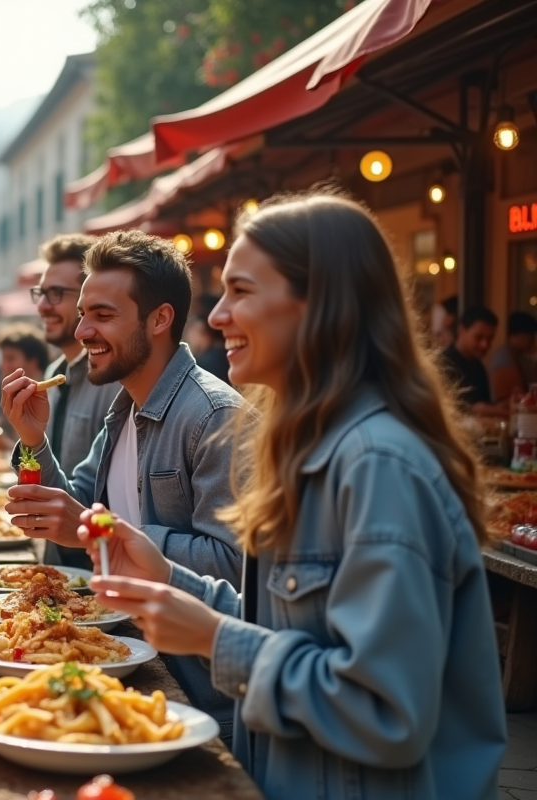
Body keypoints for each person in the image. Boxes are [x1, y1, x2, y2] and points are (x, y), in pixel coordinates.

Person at [84, 191, 506, 800]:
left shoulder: (377, 465)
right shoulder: (313, 448)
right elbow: (294, 632)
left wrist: (210, 637)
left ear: (320, 306)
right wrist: (173, 578)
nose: (218, 316)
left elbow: (384, 711)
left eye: (242, 291)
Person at [0, 229, 244, 738]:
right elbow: (72, 512)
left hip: (189, 698)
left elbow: (235, 567)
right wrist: (31, 441)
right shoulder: (125, 406)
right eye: (84, 313)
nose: (83, 329)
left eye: (103, 315)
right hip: (124, 661)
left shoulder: (214, 415)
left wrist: (100, 531)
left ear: (159, 319)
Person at [32, 233, 121, 488]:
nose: (42, 306)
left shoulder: (113, 380)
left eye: (56, 293)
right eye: (40, 293)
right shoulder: (52, 373)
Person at [440, 306, 503, 415]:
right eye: (478, 337)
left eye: (490, 339)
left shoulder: (478, 365)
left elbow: (483, 403)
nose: (485, 345)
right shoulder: (444, 363)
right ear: (461, 331)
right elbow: (440, 409)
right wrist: (474, 409)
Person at [490, 311, 537, 401]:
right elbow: (514, 399)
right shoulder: (504, 360)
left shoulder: (515, 356)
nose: (533, 342)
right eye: (531, 337)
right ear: (520, 335)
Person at [186, 294, 230, 384]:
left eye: (192, 328)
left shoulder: (202, 365)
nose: (189, 335)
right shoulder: (229, 356)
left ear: (202, 330)